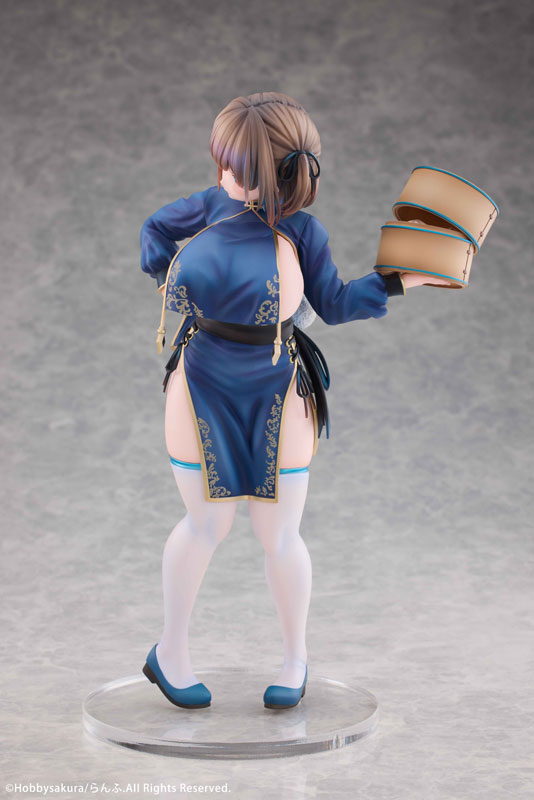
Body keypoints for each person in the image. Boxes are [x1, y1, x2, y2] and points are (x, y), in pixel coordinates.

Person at [139, 91, 448, 711]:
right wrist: (166, 273)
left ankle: (295, 658)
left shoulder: (302, 231)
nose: (222, 175)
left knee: (280, 532)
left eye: (234, 166)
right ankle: (169, 651)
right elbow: (155, 230)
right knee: (206, 523)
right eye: (223, 163)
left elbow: (334, 303)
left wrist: (398, 280)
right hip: (201, 377)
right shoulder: (208, 207)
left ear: (272, 173)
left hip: (279, 379)